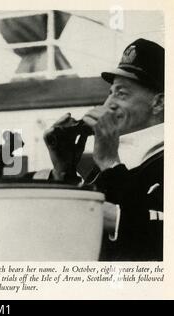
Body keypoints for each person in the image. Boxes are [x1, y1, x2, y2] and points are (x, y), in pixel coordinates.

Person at [41, 38, 164, 261]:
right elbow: (77, 226)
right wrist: (64, 171)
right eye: (110, 93)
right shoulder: (119, 155)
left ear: (158, 103)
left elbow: (151, 240)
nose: (109, 104)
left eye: (122, 94)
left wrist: (109, 162)